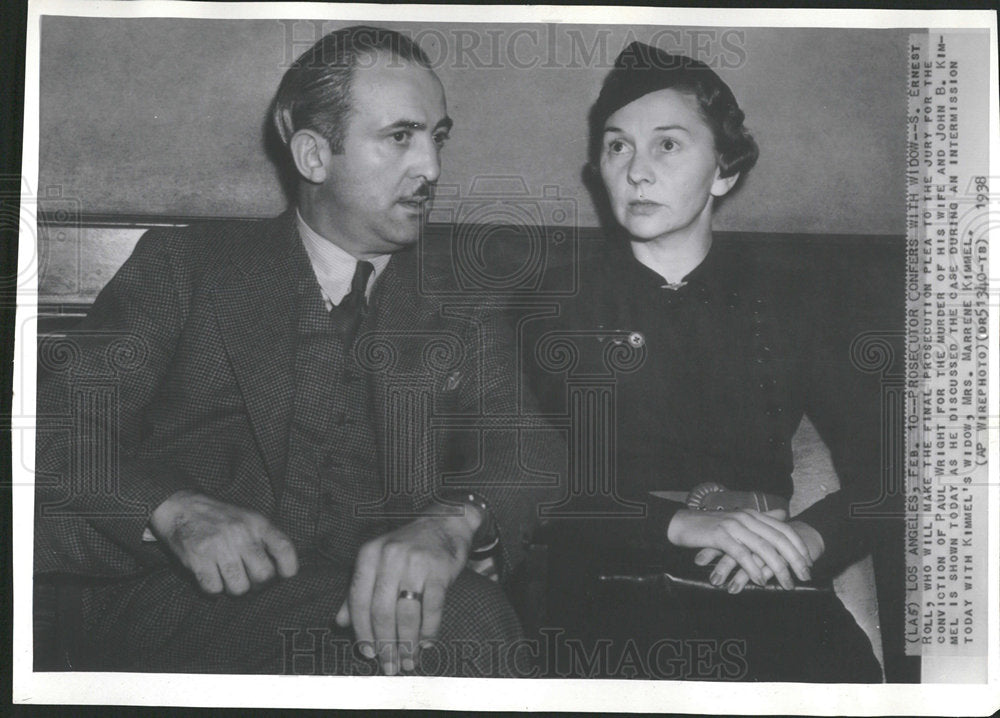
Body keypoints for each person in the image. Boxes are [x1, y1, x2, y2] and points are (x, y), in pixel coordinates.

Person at [34, 26, 560, 677]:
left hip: (367, 603)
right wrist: (172, 510)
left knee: (455, 620)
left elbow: (530, 448)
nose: (433, 168)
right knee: (464, 625)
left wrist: (452, 526)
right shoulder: (186, 268)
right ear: (314, 155)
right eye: (401, 136)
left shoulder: (458, 297)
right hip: (186, 611)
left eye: (438, 136)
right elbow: (55, 429)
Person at [524, 42, 891, 681]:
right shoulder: (553, 304)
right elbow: (530, 476)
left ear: (723, 171)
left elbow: (897, 473)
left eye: (667, 145)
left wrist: (808, 538)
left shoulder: (800, 300)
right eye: (617, 146)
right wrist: (676, 524)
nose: (637, 170)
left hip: (772, 584)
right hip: (607, 590)